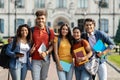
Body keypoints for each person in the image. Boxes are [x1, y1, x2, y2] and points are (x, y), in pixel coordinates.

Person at [30, 10, 54, 80]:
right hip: (35, 59)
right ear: (36, 19)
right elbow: (25, 39)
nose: (40, 20)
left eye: (42, 18)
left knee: (43, 78)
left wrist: (46, 52)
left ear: (45, 19)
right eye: (39, 18)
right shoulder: (32, 30)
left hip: (46, 59)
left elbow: (52, 45)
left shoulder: (50, 31)